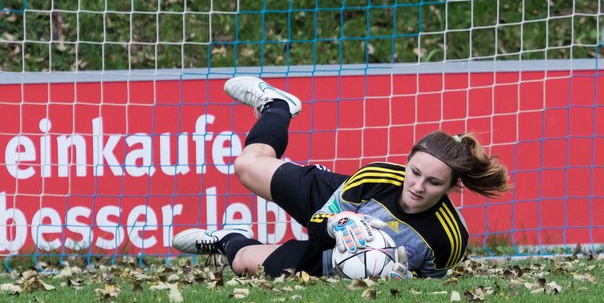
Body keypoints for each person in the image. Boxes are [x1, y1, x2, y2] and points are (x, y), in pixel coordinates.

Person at [171, 77, 509, 278]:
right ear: (406, 164)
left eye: (434, 183)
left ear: (452, 187)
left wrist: (398, 276)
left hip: (333, 262)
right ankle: (277, 105)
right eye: (415, 173)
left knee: (244, 263)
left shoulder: (449, 238)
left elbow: (429, 286)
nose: (418, 187)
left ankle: (227, 239)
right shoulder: (377, 176)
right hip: (336, 202)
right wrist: (338, 224)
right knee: (247, 166)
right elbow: (319, 227)